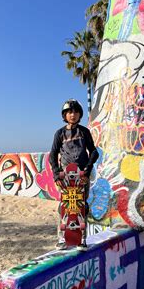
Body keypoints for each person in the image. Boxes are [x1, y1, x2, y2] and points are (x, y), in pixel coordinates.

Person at [49, 99, 99, 251]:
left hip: (82, 175)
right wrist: (57, 175)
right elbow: (52, 155)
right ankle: (62, 238)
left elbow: (94, 152)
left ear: (80, 114)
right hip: (65, 176)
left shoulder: (84, 132)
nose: (73, 115)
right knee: (65, 206)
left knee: (81, 205)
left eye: (76, 112)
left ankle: (82, 238)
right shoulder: (60, 133)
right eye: (69, 112)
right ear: (65, 115)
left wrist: (88, 171)